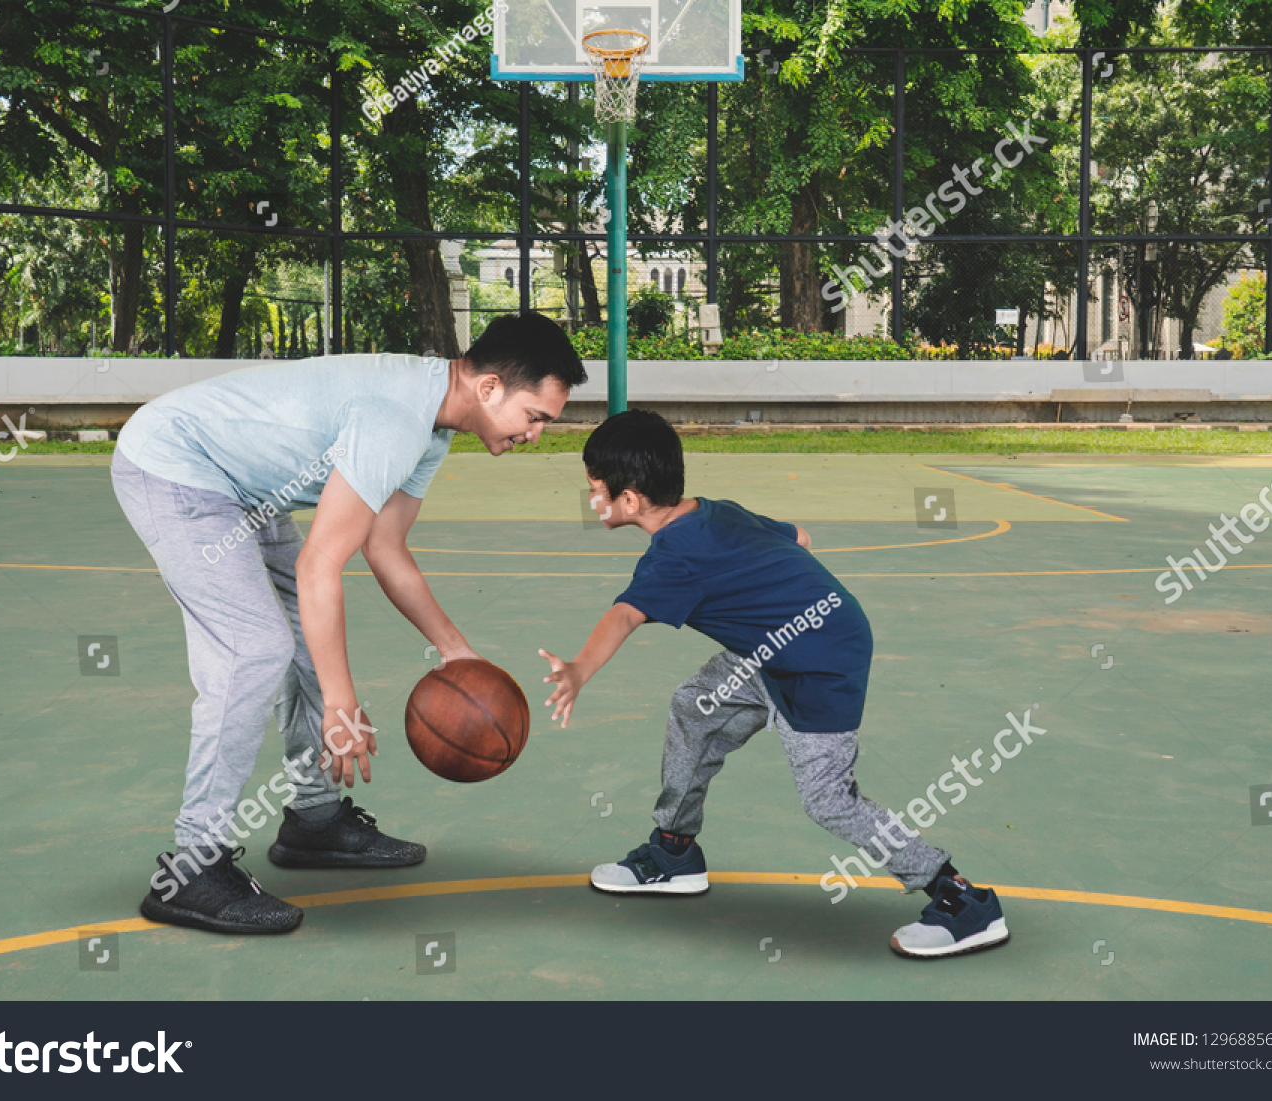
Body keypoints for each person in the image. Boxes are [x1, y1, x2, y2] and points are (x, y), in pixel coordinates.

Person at [111, 313, 586, 935]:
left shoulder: (430, 428)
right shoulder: (395, 418)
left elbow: (384, 547)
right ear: (490, 388)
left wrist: (455, 651)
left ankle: (314, 820)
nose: (536, 435)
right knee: (253, 650)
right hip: (176, 468)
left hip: (240, 489)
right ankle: (193, 867)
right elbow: (319, 565)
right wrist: (340, 705)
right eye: (536, 417)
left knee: (309, 642)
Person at [537, 410, 1009, 958]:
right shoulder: (714, 513)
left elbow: (622, 615)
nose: (591, 500)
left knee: (828, 799)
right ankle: (673, 851)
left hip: (819, 662)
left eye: (597, 491)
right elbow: (800, 537)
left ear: (633, 499)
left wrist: (576, 670)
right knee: (696, 708)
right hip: (770, 651)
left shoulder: (674, 557)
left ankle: (960, 899)